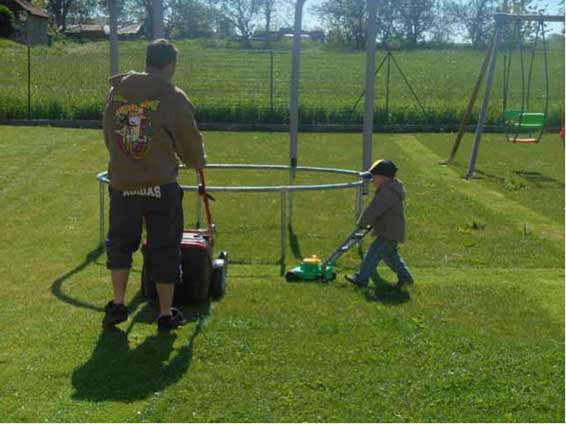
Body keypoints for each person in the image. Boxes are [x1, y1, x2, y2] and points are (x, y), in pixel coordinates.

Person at [102, 39, 206, 332]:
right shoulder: (173, 96)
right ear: (170, 64)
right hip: (161, 184)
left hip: (123, 184)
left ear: (148, 61)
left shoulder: (116, 93)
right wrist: (196, 161)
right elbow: (189, 139)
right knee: (164, 246)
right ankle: (164, 313)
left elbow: (109, 136)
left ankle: (119, 304)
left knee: (120, 243)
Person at [345, 159, 414, 289]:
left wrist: (362, 222)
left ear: (384, 178)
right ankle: (406, 278)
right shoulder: (389, 189)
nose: (372, 180)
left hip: (389, 232)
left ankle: (361, 279)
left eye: (374, 177)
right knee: (391, 257)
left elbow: (373, 210)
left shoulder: (387, 192)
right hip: (390, 231)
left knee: (372, 254)